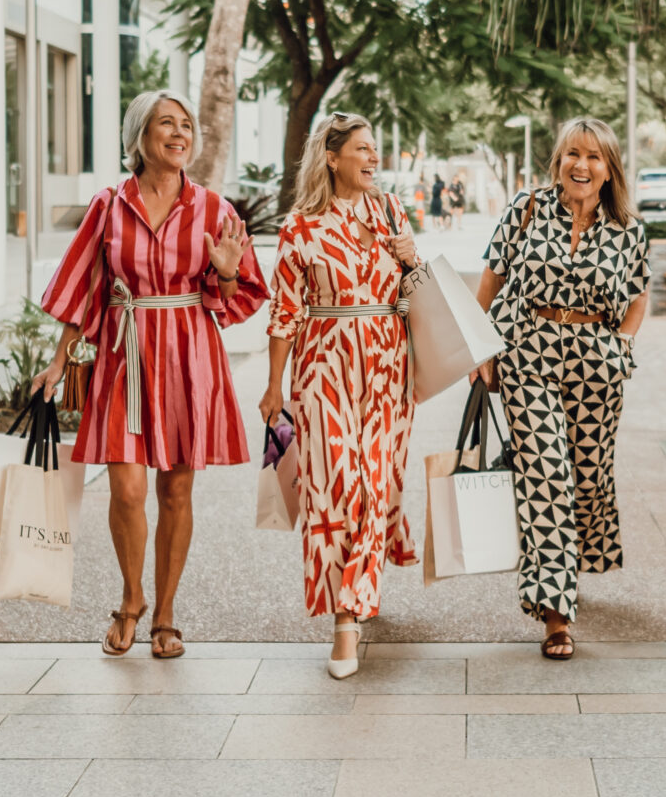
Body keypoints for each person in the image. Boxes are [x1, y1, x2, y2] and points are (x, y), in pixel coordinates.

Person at [38, 90, 265, 658]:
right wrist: (60, 357)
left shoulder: (215, 209)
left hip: (190, 353)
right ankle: (131, 596)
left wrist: (229, 275)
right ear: (140, 135)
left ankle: (165, 612)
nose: (180, 133)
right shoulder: (109, 205)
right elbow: (84, 286)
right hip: (126, 351)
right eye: (167, 123)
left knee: (177, 490)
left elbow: (239, 297)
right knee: (127, 489)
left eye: (186, 125)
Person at [473, 116, 649, 659]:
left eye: (594, 156)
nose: (582, 164)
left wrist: (621, 344)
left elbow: (639, 295)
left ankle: (573, 562)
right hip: (529, 351)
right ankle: (554, 612)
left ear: (609, 167)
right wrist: (478, 346)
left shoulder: (629, 228)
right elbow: (491, 279)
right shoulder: (526, 209)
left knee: (588, 476)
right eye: (573, 153)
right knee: (546, 476)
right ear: (558, 159)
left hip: (598, 361)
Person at [259, 114, 422, 679]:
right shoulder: (300, 227)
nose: (373, 158)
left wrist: (412, 257)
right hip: (322, 369)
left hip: (387, 366)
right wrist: (274, 386)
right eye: (362, 149)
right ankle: (344, 621)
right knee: (335, 488)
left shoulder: (390, 213)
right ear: (332, 157)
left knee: (374, 484)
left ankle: (352, 607)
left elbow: (414, 293)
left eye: (375, 148)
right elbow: (285, 311)